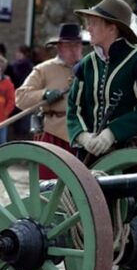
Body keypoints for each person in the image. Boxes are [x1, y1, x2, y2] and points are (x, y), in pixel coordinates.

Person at [67, 0, 137, 158]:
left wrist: (112, 133)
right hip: (89, 154)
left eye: (94, 23)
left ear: (112, 28)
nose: (88, 28)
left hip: (130, 155)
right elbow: (74, 107)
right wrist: (84, 137)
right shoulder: (87, 64)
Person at [15, 24, 85, 178]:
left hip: (84, 134)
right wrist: (44, 94)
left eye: (78, 45)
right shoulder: (44, 69)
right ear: (59, 48)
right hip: (54, 134)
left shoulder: (90, 69)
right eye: (69, 45)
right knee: (49, 186)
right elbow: (20, 97)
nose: (75, 50)